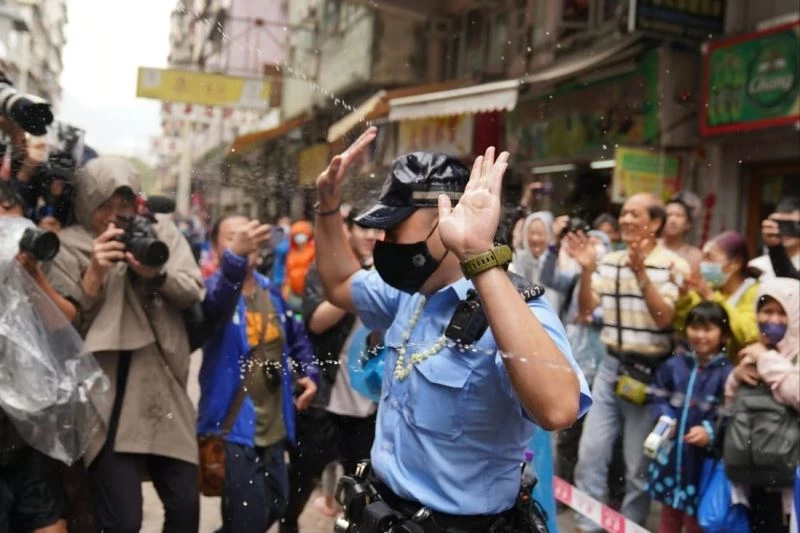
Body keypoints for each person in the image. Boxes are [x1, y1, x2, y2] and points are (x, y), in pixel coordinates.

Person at [314, 129, 591, 531]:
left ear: (448, 220)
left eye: (395, 229)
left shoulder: (513, 310)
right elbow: (339, 285)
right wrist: (327, 208)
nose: (383, 240)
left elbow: (558, 409)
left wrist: (478, 254)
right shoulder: (411, 293)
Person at [46, 156, 204, 533]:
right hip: (104, 395)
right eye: (104, 204)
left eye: (126, 204)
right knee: (123, 521)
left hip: (160, 386)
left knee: (185, 508)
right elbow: (61, 330)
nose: (115, 215)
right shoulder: (68, 246)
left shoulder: (159, 230)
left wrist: (156, 272)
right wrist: (96, 273)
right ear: (86, 203)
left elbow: (192, 290)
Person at [565, 193, 690, 532]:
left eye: (636, 215)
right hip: (611, 367)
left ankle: (631, 526)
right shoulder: (611, 260)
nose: (627, 220)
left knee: (638, 464)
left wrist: (642, 275)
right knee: (590, 454)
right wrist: (588, 270)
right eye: (624, 214)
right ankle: (587, 524)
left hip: (651, 374)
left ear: (656, 223)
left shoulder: (675, 265)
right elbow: (588, 310)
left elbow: (666, 320)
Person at [199, 214, 319, 532]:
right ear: (214, 248)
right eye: (231, 238)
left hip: (275, 425)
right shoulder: (214, 291)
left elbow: (297, 338)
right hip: (232, 427)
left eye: (249, 234)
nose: (243, 241)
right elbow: (216, 305)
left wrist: (308, 373)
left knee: (276, 506)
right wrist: (234, 261)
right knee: (247, 520)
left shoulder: (270, 291)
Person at [280, 207, 382, 533]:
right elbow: (316, 321)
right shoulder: (322, 270)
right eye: (363, 227)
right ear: (347, 230)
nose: (370, 235)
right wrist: (356, 284)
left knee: (361, 489)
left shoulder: (392, 273)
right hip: (326, 397)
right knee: (303, 475)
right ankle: (288, 524)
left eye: (378, 229)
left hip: (368, 403)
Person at [0, 183, 71, 533]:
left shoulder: (27, 267)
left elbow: (64, 323)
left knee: (50, 523)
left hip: (25, 429)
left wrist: (34, 273)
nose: (11, 239)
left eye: (17, 228)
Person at [540, 228, 626, 506]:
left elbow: (600, 314)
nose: (593, 247)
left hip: (605, 365)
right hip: (575, 360)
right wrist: (553, 247)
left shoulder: (616, 279)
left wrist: (595, 317)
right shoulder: (578, 275)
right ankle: (566, 494)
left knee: (605, 440)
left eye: (599, 243)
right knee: (569, 432)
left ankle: (613, 496)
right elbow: (547, 278)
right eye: (589, 242)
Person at [647, 301, 733, 533]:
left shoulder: (728, 373)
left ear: (723, 335)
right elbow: (656, 396)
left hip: (702, 462)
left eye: (708, 329)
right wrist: (665, 417)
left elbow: (730, 413)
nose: (700, 335)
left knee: (697, 520)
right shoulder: (673, 365)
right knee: (669, 515)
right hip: (671, 457)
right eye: (695, 328)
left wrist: (710, 431)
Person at [725, 277, 799, 533]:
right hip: (754, 474)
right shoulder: (753, 350)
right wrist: (736, 376)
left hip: (790, 479)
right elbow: (731, 406)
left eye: (782, 313)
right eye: (767, 311)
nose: (774, 320)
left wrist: (766, 361)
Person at [674, 231, 760, 358]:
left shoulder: (755, 291)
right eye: (702, 257)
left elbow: (749, 334)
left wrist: (712, 298)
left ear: (735, 264)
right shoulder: (710, 288)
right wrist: (684, 295)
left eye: (709, 258)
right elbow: (682, 327)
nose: (703, 263)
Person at [752, 196, 800, 280]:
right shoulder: (756, 266)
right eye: (781, 224)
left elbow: (792, 283)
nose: (786, 230)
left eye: (792, 225)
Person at [661, 199, 702, 271]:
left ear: (688, 224)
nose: (673, 220)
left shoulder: (696, 256)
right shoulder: (649, 247)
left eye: (679, 215)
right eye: (668, 215)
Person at [284, 220, 315, 312]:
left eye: (301, 233)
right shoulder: (291, 252)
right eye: (296, 234)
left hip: (309, 293)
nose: (299, 237)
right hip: (294, 293)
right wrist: (286, 290)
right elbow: (288, 273)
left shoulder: (313, 251)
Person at [271, 215, 292, 287]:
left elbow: (284, 250)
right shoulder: (276, 237)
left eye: (286, 224)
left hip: (287, 276)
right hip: (277, 275)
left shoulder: (291, 238)